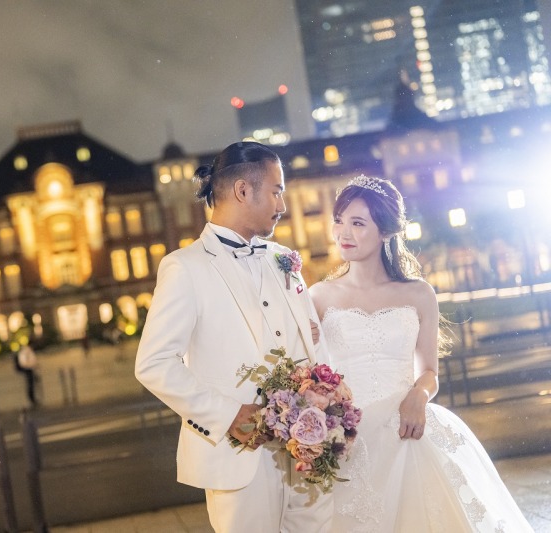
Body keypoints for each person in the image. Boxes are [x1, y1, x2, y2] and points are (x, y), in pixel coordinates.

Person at [309, 175, 532, 531]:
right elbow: (312, 371)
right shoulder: (318, 296)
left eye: (357, 223)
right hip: (348, 434)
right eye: (339, 220)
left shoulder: (418, 294)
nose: (343, 233)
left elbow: (429, 371)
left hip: (406, 426)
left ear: (385, 231)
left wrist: (419, 395)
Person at [135, 141, 332, 532]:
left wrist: (326, 398)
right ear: (243, 191)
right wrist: (228, 416)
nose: (282, 204)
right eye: (276, 191)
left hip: (307, 452)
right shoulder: (184, 268)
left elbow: (313, 341)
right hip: (239, 455)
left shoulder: (284, 259)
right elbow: (154, 364)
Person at [14, 341, 38, 408]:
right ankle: (32, 399)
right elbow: (24, 362)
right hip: (28, 369)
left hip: (30, 369)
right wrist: (31, 365)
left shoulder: (27, 351)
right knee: (30, 385)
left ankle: (33, 399)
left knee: (31, 384)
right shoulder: (26, 351)